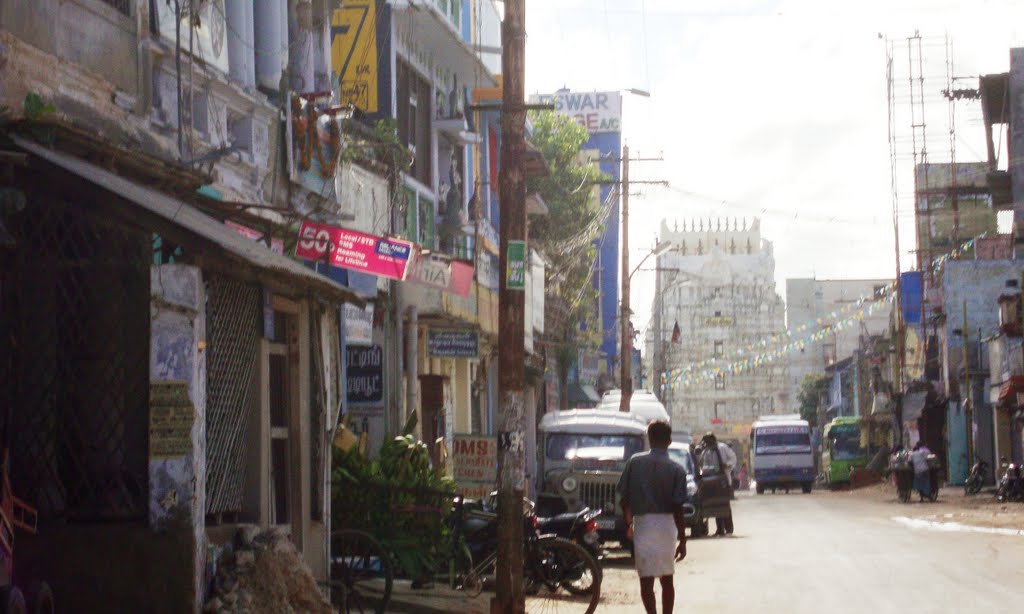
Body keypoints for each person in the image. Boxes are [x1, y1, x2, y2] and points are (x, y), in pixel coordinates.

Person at [617, 420, 689, 614]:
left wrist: (629, 523)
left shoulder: (634, 462)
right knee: (667, 579)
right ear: (669, 440)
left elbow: (624, 499)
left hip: (643, 524)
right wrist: (682, 539)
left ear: (649, 438)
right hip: (667, 526)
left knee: (646, 579)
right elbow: (678, 507)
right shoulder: (677, 470)